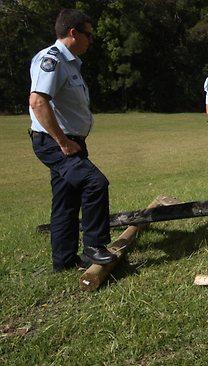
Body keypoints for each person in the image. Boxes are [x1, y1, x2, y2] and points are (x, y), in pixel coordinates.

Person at [29, 9, 116, 272]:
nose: (91, 40)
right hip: (55, 143)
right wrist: (63, 142)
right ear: (73, 33)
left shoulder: (70, 63)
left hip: (70, 141)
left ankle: (64, 261)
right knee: (95, 182)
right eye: (88, 35)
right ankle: (94, 245)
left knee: (66, 200)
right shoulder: (52, 60)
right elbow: (37, 101)